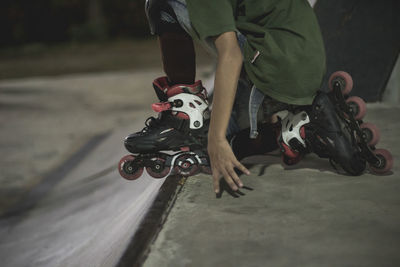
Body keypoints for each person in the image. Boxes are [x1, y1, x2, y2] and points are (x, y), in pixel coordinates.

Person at [123, 0, 366, 194]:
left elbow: (231, 55)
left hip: (273, 65)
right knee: (233, 142)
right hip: (307, 63)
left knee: (160, 2)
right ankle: (297, 130)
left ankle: (184, 115)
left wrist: (216, 139)